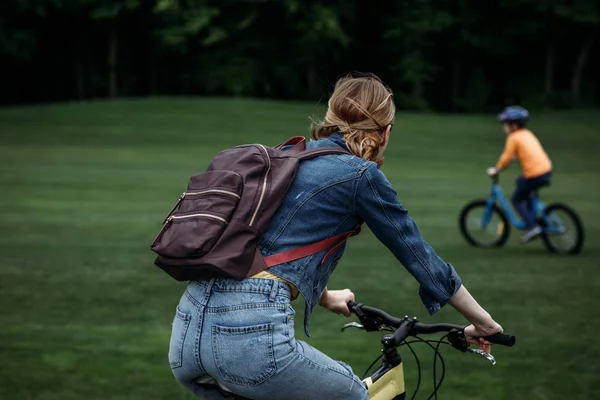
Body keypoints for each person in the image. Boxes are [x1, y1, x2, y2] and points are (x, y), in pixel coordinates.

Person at [169, 73, 504, 400]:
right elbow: (419, 257)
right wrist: (482, 322)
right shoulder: (361, 175)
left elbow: (267, 243)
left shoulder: (289, 156)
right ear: (385, 132)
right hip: (248, 335)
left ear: (330, 118)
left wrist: (327, 296)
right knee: (355, 394)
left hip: (188, 328)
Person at [486, 106, 552, 243]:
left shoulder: (513, 137)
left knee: (516, 199)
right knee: (521, 182)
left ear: (514, 125)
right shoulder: (527, 134)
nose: (504, 127)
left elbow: (506, 157)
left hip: (534, 174)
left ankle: (532, 226)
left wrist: (496, 169)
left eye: (506, 124)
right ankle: (531, 216)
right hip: (545, 170)